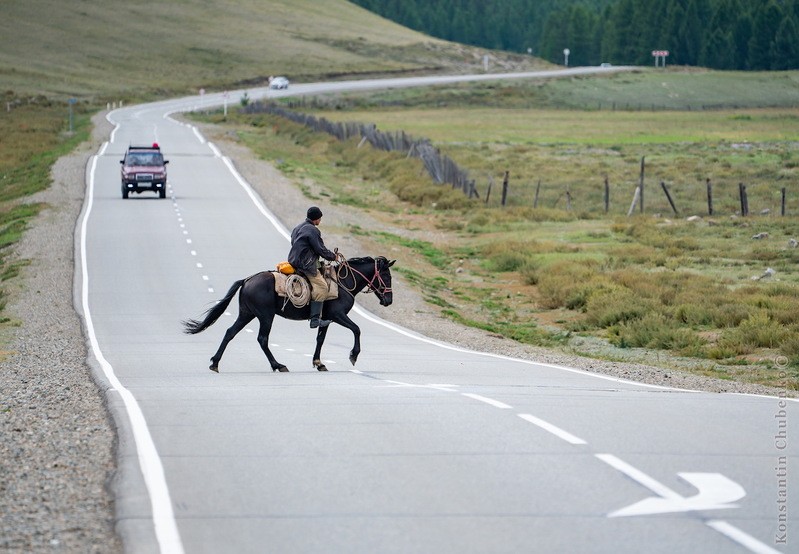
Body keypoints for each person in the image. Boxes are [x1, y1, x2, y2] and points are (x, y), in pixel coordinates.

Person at [288, 206, 337, 328]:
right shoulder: (313, 230)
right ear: (317, 218)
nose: (320, 221)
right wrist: (333, 257)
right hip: (305, 264)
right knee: (322, 287)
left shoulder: (298, 227)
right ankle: (315, 319)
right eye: (320, 218)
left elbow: (294, 242)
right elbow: (320, 249)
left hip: (293, 260)